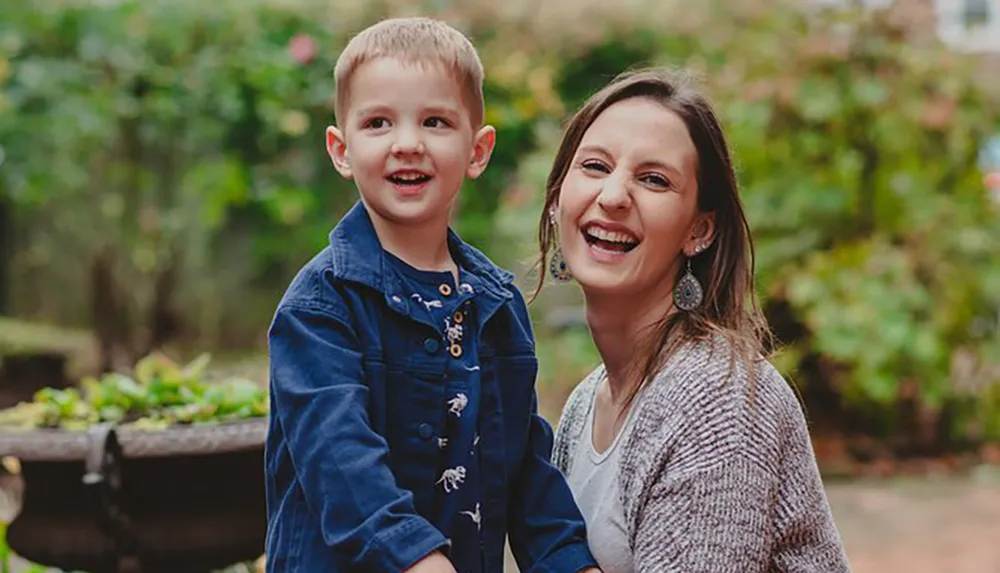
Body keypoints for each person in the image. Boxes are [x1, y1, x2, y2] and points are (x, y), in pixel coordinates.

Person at [264, 17, 599, 573]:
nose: (407, 144)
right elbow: (345, 470)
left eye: (436, 121)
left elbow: (526, 474)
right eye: (378, 123)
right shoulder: (320, 307)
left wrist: (571, 561)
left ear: (477, 150)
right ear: (341, 150)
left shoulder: (495, 306)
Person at [539, 68, 851, 572]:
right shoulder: (583, 406)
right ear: (557, 199)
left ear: (699, 230)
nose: (614, 196)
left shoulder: (716, 399)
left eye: (654, 179)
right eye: (595, 166)